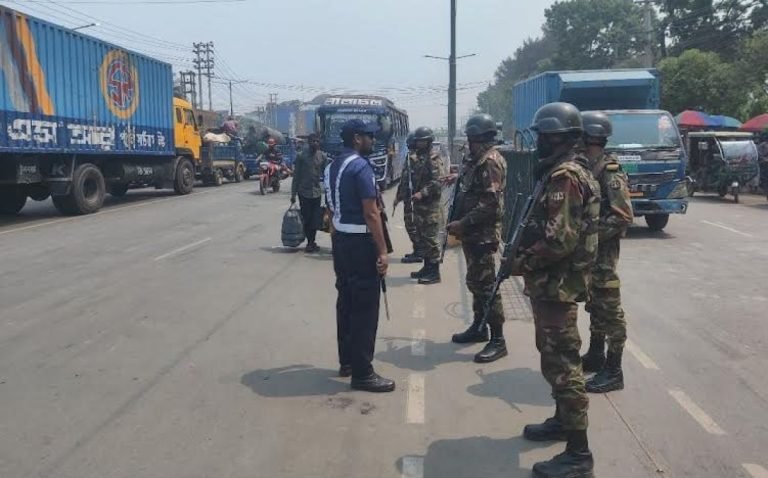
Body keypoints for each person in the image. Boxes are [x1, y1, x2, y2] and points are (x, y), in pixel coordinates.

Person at [510, 102, 600, 478]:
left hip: (557, 285)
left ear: (560, 137)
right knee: (553, 358)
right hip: (552, 285)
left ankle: (579, 454)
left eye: (544, 137)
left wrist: (521, 262)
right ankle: (564, 423)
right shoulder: (563, 171)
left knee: (564, 366)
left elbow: (559, 241)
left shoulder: (565, 176)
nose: (540, 143)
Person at [324, 119, 395, 393]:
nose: (372, 141)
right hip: (360, 243)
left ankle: (348, 362)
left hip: (341, 241)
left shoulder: (331, 166)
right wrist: (382, 251)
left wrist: (336, 243)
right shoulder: (360, 167)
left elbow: (329, 211)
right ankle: (363, 372)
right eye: (368, 136)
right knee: (365, 308)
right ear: (356, 138)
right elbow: (371, 212)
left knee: (346, 302)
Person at [445, 114, 508, 363]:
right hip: (473, 233)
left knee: (486, 287)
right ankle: (479, 328)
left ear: (480, 139)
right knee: (476, 282)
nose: (468, 145)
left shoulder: (490, 162)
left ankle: (498, 339)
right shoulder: (477, 160)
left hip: (482, 233)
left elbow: (491, 203)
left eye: (471, 140)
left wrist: (463, 222)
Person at [579, 112, 634, 394]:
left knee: (610, 311)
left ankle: (614, 370)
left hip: (603, 258)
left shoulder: (608, 171)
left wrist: (588, 235)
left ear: (589, 138)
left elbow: (623, 216)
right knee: (595, 306)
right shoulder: (589, 167)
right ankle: (596, 354)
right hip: (591, 257)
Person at [394, 127, 444, 284]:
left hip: (430, 206)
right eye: (418, 140)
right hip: (419, 206)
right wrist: (400, 196)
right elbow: (407, 179)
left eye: (422, 140)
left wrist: (422, 193)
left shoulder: (433, 158)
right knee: (422, 236)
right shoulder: (418, 157)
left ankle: (434, 272)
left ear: (428, 141)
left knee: (430, 238)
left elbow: (437, 182)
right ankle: (427, 267)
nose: (418, 143)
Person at [291, 133, 329, 253]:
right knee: (307, 218)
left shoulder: (322, 156)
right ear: (308, 142)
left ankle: (312, 241)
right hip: (304, 192)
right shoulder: (301, 156)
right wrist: (293, 194)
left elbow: (327, 174)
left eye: (317, 141)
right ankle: (310, 242)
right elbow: (296, 176)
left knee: (315, 219)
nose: (315, 143)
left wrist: (328, 191)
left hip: (317, 193)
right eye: (313, 141)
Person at [395, 134, 421, 264]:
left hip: (414, 199)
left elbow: (409, 180)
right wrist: (398, 197)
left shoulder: (415, 159)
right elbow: (404, 179)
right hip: (408, 197)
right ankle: (418, 250)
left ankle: (419, 251)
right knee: (410, 224)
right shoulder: (410, 157)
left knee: (412, 225)